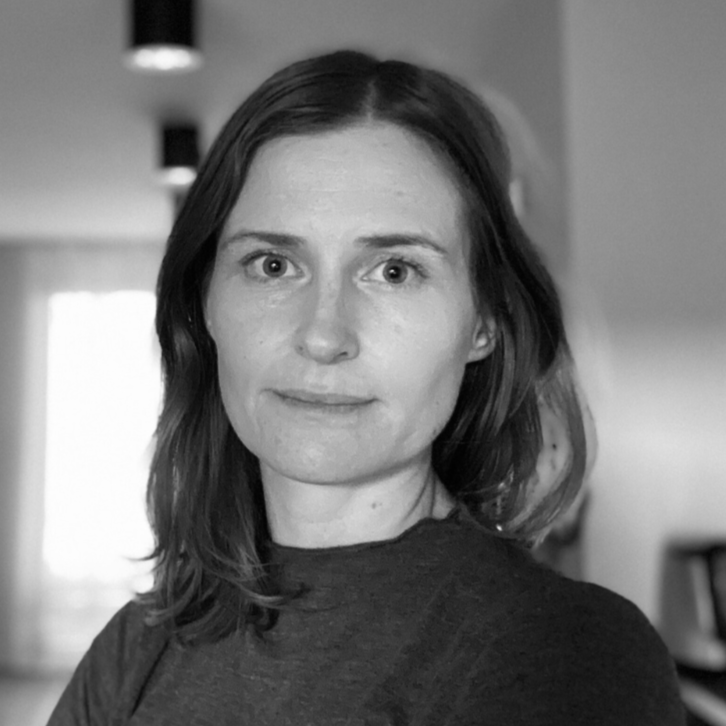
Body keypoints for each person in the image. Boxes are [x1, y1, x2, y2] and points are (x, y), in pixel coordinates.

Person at [48, 50, 685, 725]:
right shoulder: (137, 647)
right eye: (273, 265)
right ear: (204, 302)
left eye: (394, 271)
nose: (324, 336)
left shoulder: (568, 652)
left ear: (485, 322)